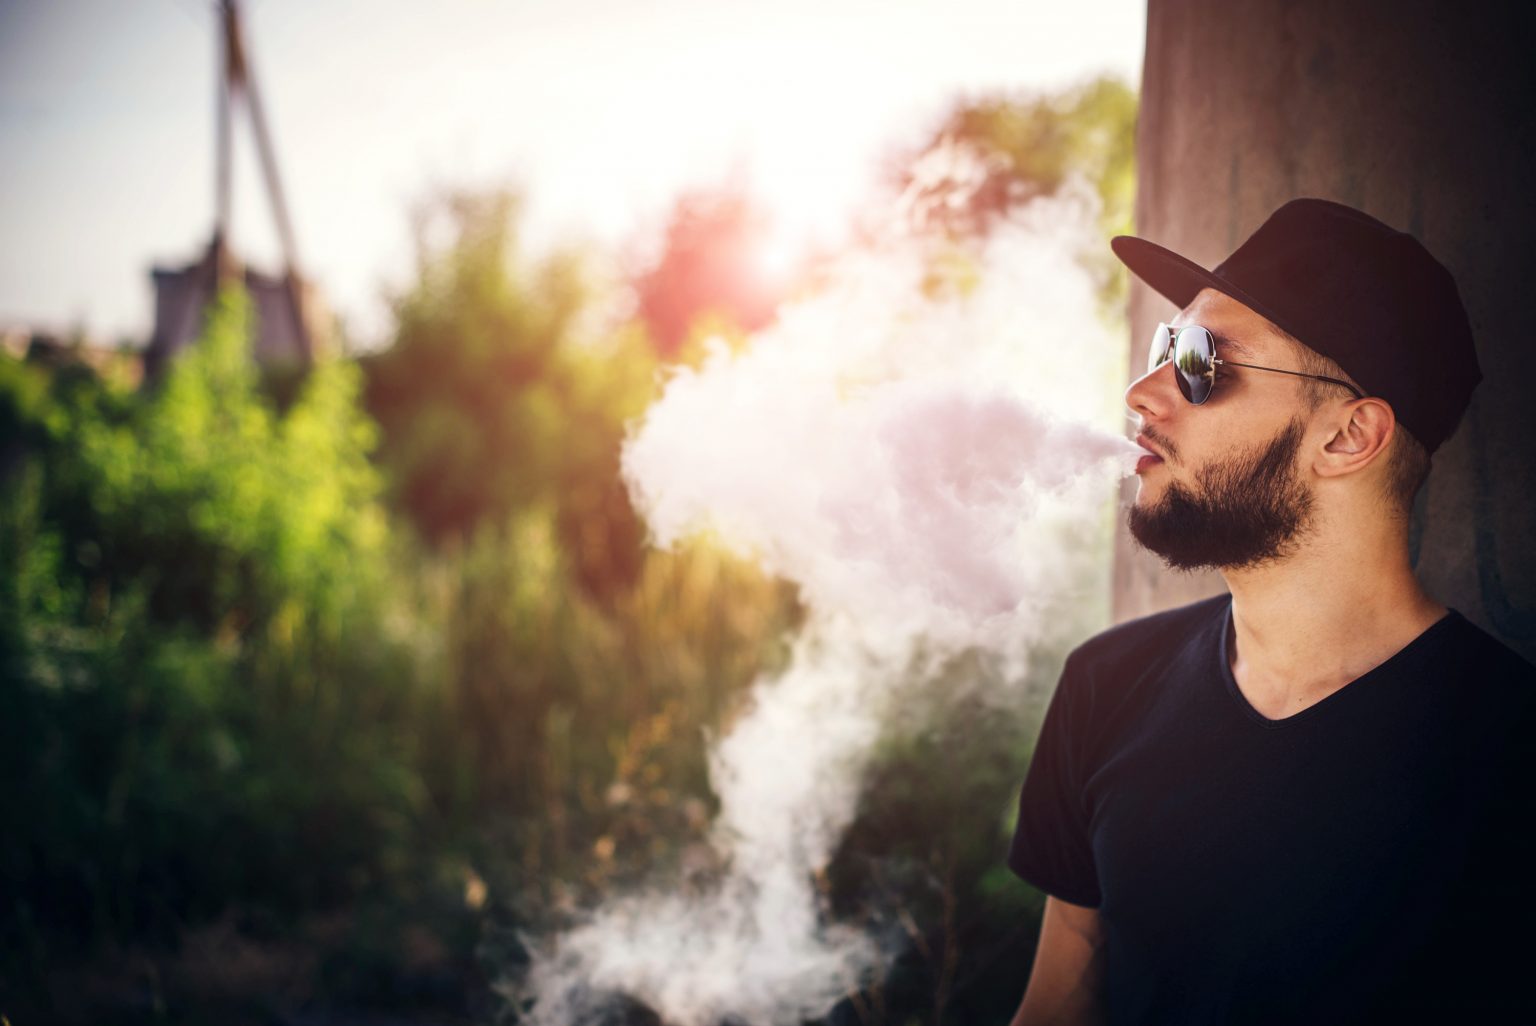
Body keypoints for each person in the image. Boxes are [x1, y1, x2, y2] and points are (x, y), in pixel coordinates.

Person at [1006, 198, 1536, 1026]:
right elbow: (1057, 1006)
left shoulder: (1512, 758)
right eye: (1162, 345)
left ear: (1349, 437)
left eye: (1199, 359)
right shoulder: (1103, 686)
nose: (1142, 393)